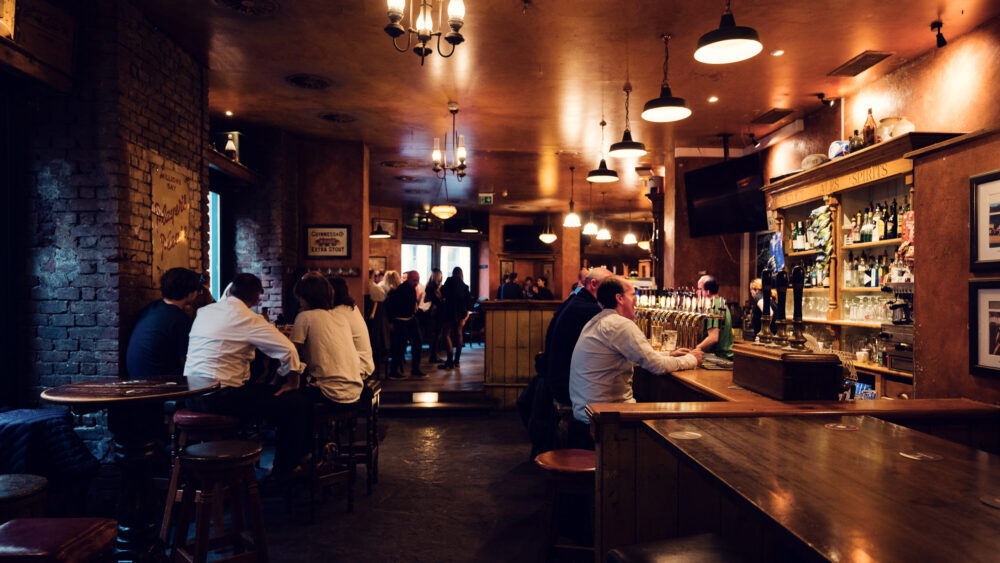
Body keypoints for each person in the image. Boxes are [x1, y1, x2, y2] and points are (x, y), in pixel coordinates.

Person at [184, 273, 306, 474]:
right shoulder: (249, 319)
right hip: (220, 399)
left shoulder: (204, 312)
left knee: (262, 392)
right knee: (295, 402)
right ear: (256, 299)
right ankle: (285, 471)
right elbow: (288, 350)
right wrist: (293, 382)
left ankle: (238, 454)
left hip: (190, 395)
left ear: (229, 291)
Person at [569, 277, 702, 433]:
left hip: (586, 414)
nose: (636, 300)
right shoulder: (620, 324)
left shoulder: (598, 321)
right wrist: (692, 359)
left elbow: (636, 355)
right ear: (619, 298)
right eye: (633, 295)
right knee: (676, 422)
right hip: (604, 420)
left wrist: (669, 354)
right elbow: (657, 366)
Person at [545, 267, 613, 406]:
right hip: (567, 386)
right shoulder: (589, 309)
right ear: (593, 284)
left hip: (556, 378)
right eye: (609, 285)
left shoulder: (577, 300)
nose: (614, 291)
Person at [126, 267, 203, 379]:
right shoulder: (180, 319)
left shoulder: (152, 308)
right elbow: (188, 361)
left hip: (136, 377)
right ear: (190, 293)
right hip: (160, 382)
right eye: (197, 290)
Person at [386, 270, 424, 378]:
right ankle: (393, 371)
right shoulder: (400, 290)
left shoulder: (412, 289)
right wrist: (391, 322)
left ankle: (415, 369)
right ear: (409, 279)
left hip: (410, 318)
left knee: (418, 341)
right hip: (400, 320)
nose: (416, 282)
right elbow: (391, 307)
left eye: (418, 280)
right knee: (401, 345)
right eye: (414, 280)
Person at [695, 275, 735, 360]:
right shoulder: (720, 303)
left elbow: (713, 338)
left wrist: (696, 348)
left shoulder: (712, 306)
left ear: (708, 291)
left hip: (720, 357)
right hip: (725, 355)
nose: (696, 292)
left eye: (699, 289)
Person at [438, 266, 471, 369]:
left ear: (453, 273)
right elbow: (469, 303)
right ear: (461, 274)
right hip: (461, 313)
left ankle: (449, 360)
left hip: (449, 312)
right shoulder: (465, 286)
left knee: (446, 334)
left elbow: (442, 292)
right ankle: (457, 361)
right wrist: (466, 315)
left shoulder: (449, 280)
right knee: (459, 334)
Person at [422, 268, 445, 363]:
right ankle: (433, 356)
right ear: (437, 276)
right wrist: (442, 299)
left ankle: (433, 356)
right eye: (440, 275)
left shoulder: (429, 286)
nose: (441, 277)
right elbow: (440, 298)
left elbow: (426, 299)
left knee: (434, 335)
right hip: (437, 313)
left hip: (431, 312)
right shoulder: (434, 287)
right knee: (437, 335)